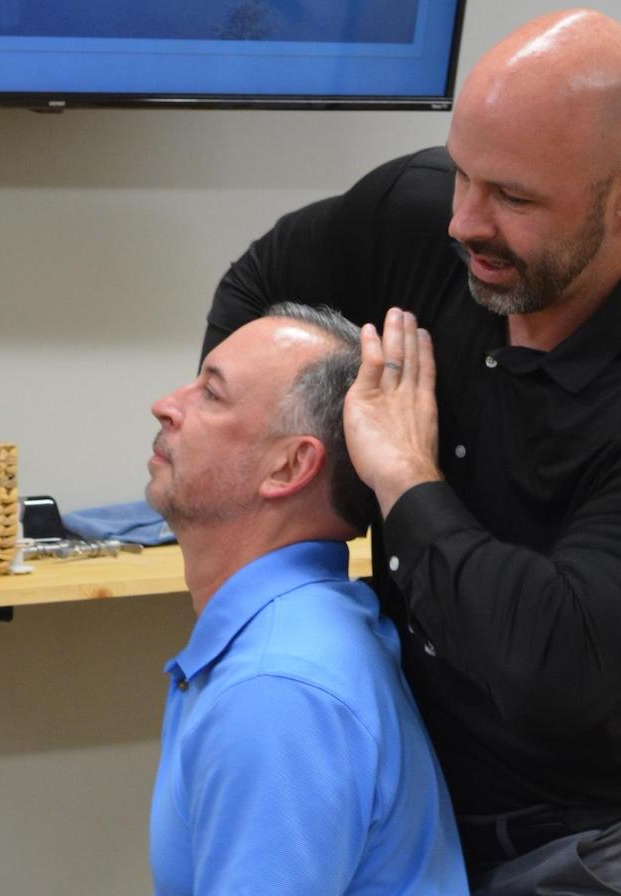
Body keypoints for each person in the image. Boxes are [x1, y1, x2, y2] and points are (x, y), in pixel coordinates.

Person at [202, 9, 621, 895]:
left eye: (513, 197)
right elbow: (258, 291)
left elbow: (549, 669)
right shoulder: (426, 219)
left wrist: (401, 474)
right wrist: (281, 558)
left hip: (594, 843)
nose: (466, 221)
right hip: (415, 804)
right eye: (464, 173)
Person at [146, 304, 469, 896]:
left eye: (211, 395)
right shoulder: (303, 631)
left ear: (290, 465)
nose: (166, 404)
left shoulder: (277, 689)